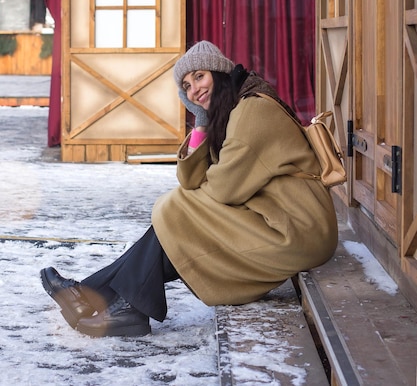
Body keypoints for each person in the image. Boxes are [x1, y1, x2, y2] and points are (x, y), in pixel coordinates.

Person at [40, 40, 338, 338]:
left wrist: (198, 189)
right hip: (275, 219)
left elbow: (223, 190)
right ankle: (105, 300)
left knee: (177, 210)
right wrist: (202, 122)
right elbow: (192, 179)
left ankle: (101, 298)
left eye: (199, 76)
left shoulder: (254, 111)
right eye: (186, 84)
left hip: (299, 231)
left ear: (219, 73)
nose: (194, 88)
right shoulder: (231, 112)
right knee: (177, 221)